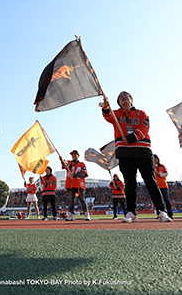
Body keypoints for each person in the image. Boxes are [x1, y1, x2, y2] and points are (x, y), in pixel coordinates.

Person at [101, 92, 171, 223]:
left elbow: (144, 128)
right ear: (118, 102)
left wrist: (131, 138)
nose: (123, 97)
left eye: (126, 95)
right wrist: (105, 107)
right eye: (120, 97)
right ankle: (131, 212)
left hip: (142, 150)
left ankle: (161, 211)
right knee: (129, 183)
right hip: (125, 152)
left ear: (131, 99)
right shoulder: (116, 114)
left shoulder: (142, 114)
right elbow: (108, 116)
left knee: (150, 181)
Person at [60, 150, 90, 221]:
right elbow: (63, 166)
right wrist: (61, 161)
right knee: (71, 200)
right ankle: (71, 215)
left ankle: (86, 214)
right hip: (70, 184)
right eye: (72, 155)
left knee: (82, 199)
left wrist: (74, 175)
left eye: (75, 154)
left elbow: (83, 174)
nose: (73, 156)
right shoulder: (69, 163)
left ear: (78, 156)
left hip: (79, 184)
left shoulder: (82, 164)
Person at [154, 155, 174, 219]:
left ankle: (170, 214)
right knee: (158, 200)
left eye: (155, 159)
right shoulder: (151, 167)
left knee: (166, 200)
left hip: (163, 185)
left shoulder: (162, 166)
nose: (154, 160)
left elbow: (166, 174)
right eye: (153, 159)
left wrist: (160, 174)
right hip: (156, 185)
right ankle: (159, 214)